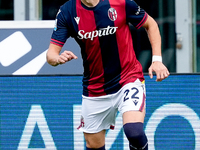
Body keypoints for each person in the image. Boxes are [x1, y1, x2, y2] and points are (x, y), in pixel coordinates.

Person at [46, 0, 170, 149]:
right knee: (94, 145)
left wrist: (157, 60)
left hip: (127, 78)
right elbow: (51, 55)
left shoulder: (121, 2)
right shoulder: (67, 11)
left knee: (134, 132)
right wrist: (57, 59)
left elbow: (151, 24)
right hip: (95, 88)